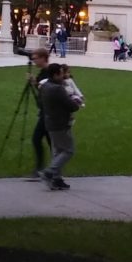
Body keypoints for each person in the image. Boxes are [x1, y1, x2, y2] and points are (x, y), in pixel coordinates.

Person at [37, 62, 81, 190]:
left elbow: (41, 102)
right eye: (61, 74)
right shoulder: (57, 89)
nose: (64, 76)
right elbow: (72, 106)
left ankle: (56, 179)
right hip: (61, 124)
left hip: (49, 122)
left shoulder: (45, 86)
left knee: (57, 151)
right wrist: (76, 101)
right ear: (56, 74)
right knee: (68, 150)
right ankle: (49, 172)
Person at [26, 48, 53, 179]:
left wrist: (36, 83)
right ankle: (50, 169)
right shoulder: (43, 72)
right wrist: (34, 83)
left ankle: (44, 169)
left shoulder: (50, 72)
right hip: (44, 110)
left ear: (43, 58)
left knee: (40, 139)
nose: (34, 61)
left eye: (36, 58)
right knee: (48, 140)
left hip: (49, 112)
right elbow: (41, 88)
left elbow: (49, 89)